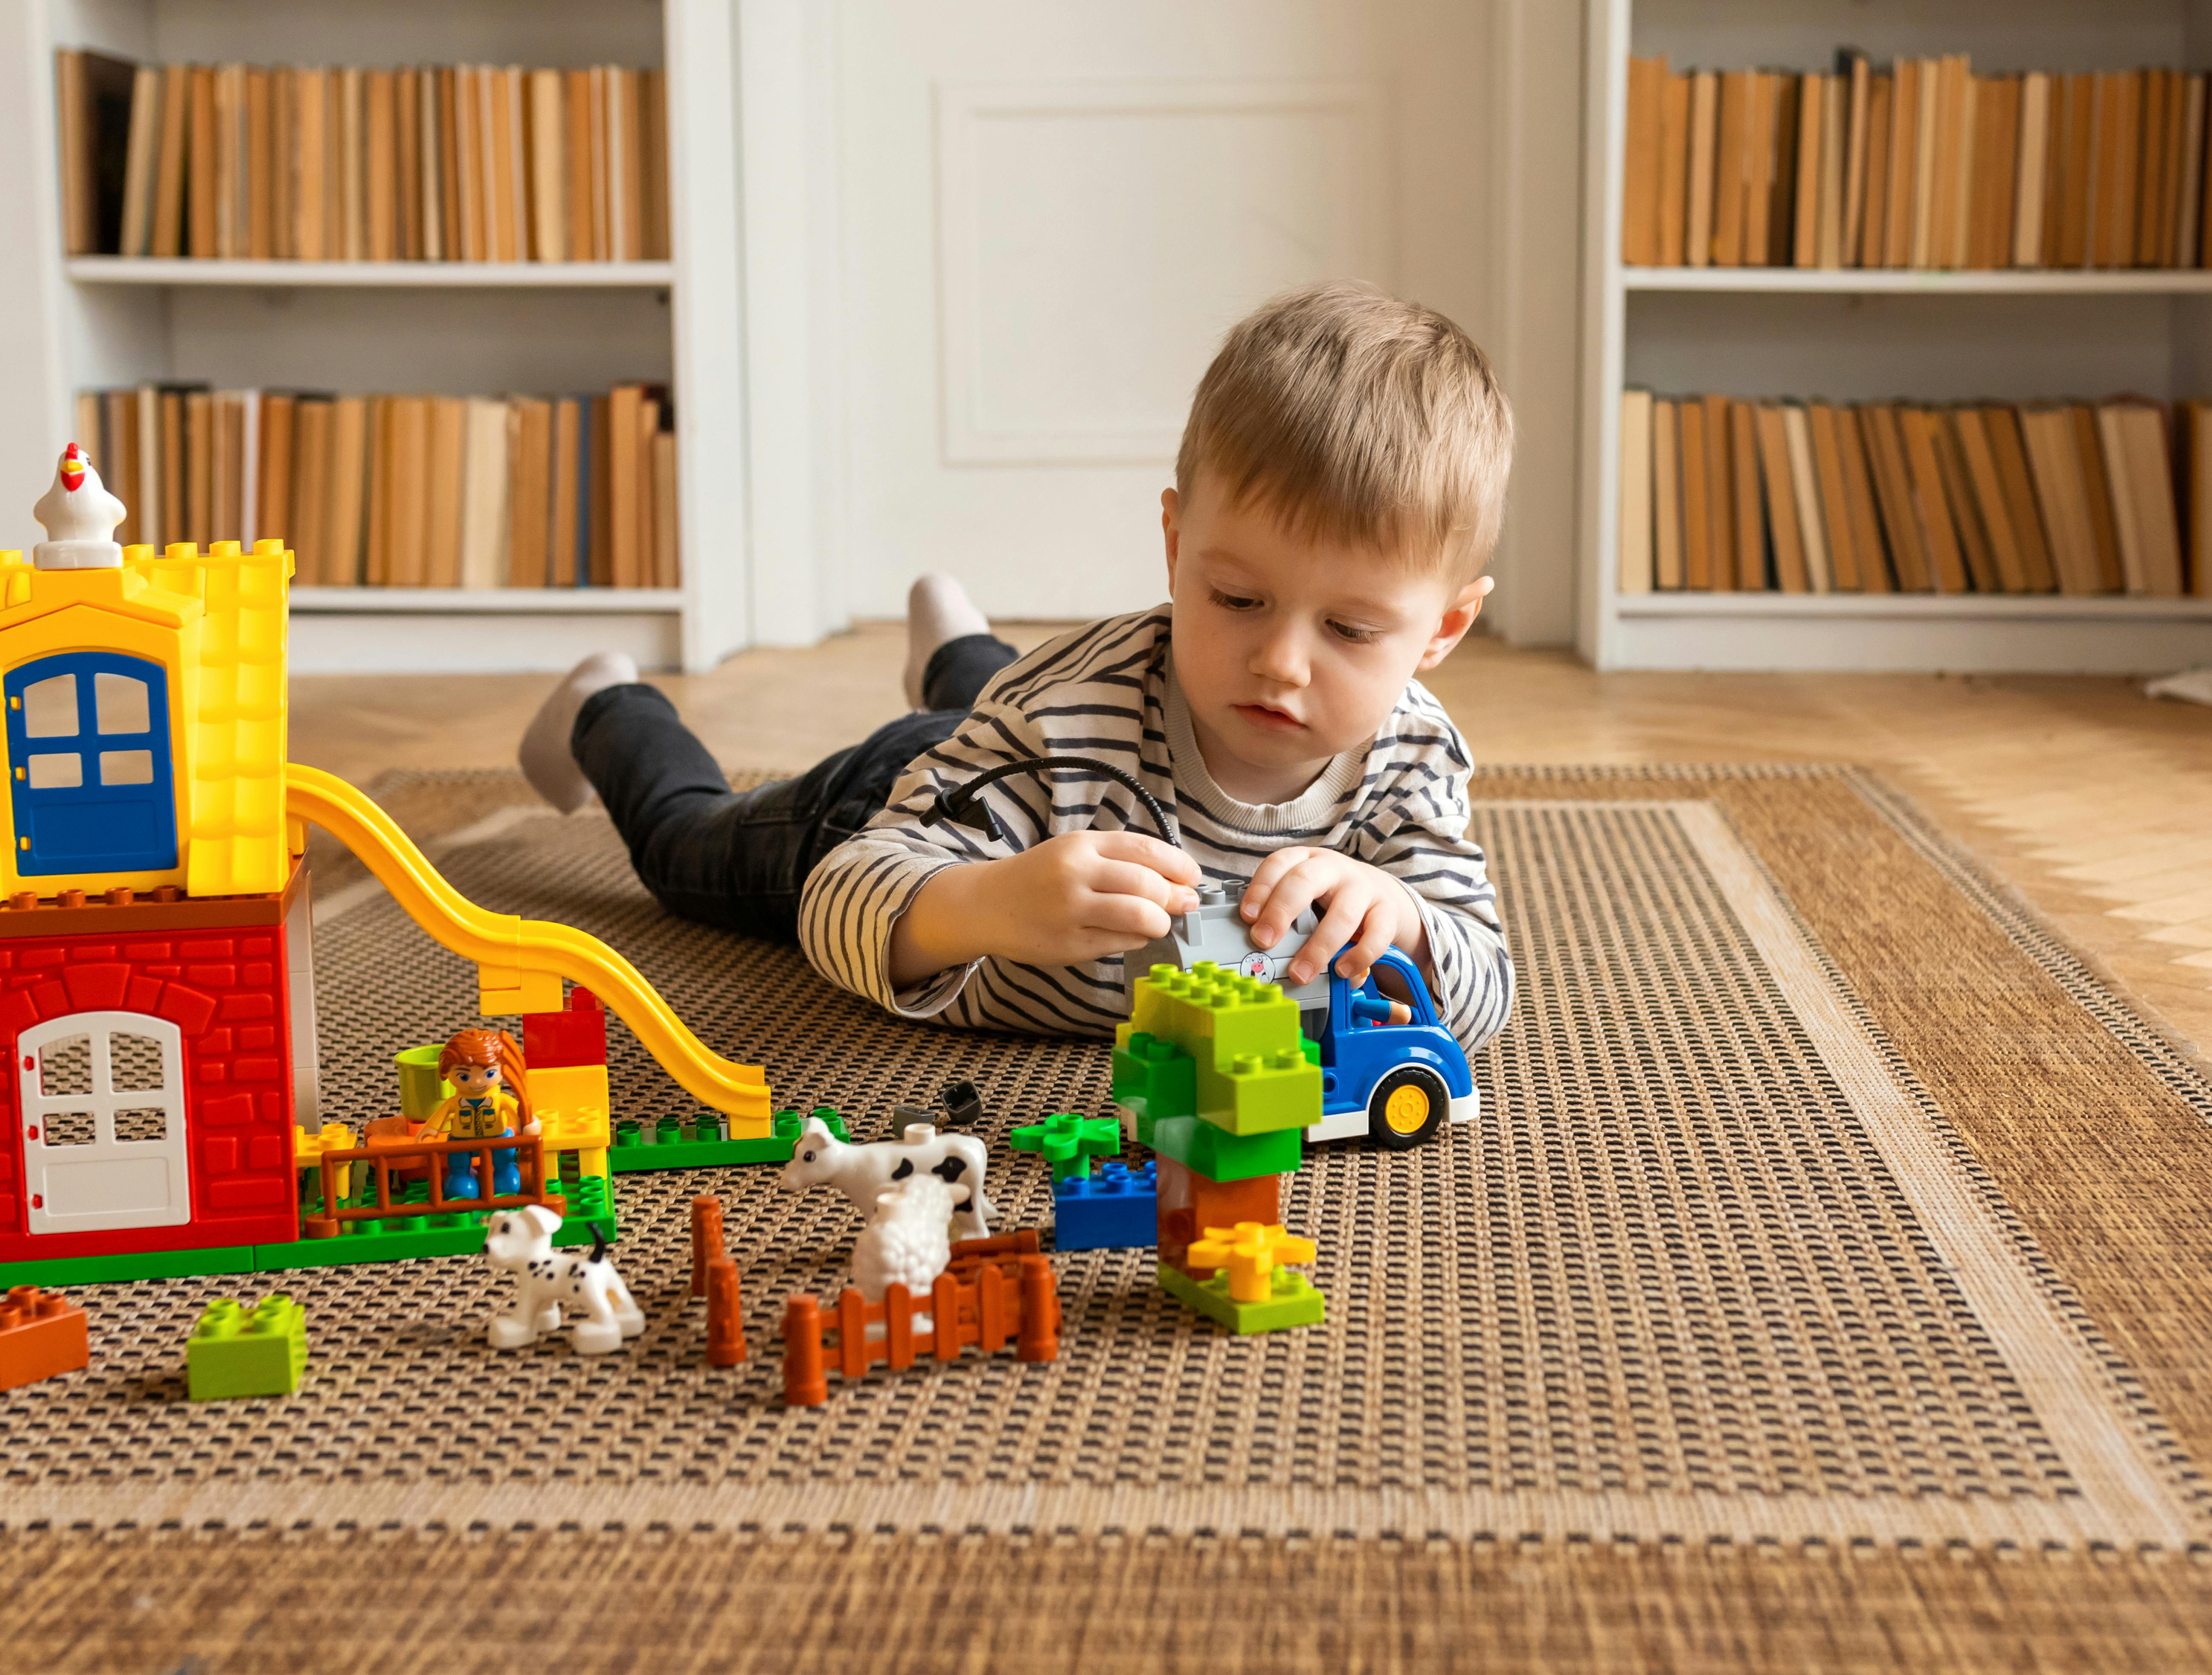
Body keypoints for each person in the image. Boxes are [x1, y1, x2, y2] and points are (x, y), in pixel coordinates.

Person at [517, 281, 1514, 1052]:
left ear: (1440, 629)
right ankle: (609, 706)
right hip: (902, 796)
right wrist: (982, 902)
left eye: (1348, 628)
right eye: (1237, 600)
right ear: (1174, 548)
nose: (1280, 663)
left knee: (1005, 706)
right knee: (689, 853)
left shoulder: (1410, 751)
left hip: (1013, 744)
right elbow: (839, 893)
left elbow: (1486, 986)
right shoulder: (1057, 723)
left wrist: (1412, 926)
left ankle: (960, 654)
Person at [421, 1028, 540, 1200]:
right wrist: (431, 1129)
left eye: (489, 1073)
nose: (476, 1082)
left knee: (504, 1166)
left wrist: (529, 1125)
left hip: (497, 1138)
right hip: (462, 1141)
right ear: (447, 1072)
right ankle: (462, 1179)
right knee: (459, 1169)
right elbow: (441, 1115)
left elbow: (522, 1117)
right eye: (463, 1076)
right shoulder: (455, 1102)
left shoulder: (502, 1100)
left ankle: (505, 1176)